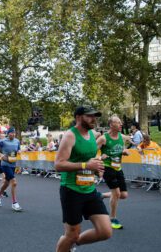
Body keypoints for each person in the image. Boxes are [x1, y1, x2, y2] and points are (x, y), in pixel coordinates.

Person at [55, 106, 111, 252]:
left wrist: (97, 166)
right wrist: (87, 165)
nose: (94, 119)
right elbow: (59, 164)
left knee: (105, 231)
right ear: (78, 117)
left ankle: (73, 243)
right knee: (71, 234)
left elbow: (89, 158)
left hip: (89, 189)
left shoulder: (93, 134)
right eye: (90, 116)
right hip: (71, 190)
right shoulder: (70, 136)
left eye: (95, 116)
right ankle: (70, 241)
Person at [96, 116, 132, 229]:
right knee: (116, 193)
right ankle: (112, 218)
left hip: (118, 168)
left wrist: (125, 151)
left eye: (121, 123)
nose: (121, 124)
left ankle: (101, 195)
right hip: (108, 168)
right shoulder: (103, 138)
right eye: (118, 122)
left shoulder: (122, 137)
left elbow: (128, 145)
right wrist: (100, 157)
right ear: (111, 124)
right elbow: (90, 152)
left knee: (124, 195)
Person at [0, 127, 22, 211]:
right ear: (8, 133)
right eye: (11, 133)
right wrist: (0, 154)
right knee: (14, 182)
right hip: (5, 164)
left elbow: (18, 149)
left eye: (14, 133)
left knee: (6, 183)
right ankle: (14, 203)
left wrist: (19, 151)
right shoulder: (3, 141)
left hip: (13, 164)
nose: (13, 134)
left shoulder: (17, 141)